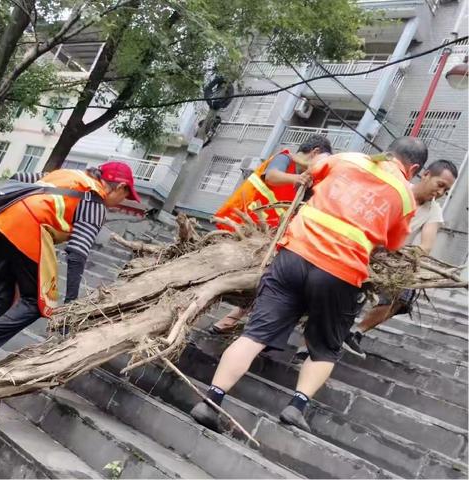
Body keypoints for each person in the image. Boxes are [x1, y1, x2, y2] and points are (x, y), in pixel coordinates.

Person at [190, 136, 428, 433]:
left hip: (294, 255)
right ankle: (296, 407)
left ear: (390, 151)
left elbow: (313, 168)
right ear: (414, 167)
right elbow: (392, 244)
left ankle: (210, 401)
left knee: (255, 334)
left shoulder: (348, 158)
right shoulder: (406, 195)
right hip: (340, 272)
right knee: (325, 347)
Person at [0, 162, 140, 355]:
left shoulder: (68, 174)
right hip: (28, 231)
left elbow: (19, 177)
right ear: (120, 186)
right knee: (37, 302)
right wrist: (71, 305)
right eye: (126, 195)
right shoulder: (94, 201)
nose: (123, 200)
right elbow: (77, 253)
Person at [211, 135, 333, 334]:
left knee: (260, 281)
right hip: (235, 225)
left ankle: (229, 320)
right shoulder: (285, 158)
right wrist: (297, 178)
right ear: (315, 152)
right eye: (323, 160)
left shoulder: (306, 182)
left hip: (260, 239)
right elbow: (272, 177)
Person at [343, 159, 458, 357]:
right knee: (345, 295)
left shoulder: (434, 211)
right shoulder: (397, 190)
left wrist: (402, 258)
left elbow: (426, 245)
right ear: (425, 174)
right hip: (365, 251)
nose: (440, 193)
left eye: (446, 191)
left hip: (395, 261)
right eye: (440, 185)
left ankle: (355, 333)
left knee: (404, 297)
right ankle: (307, 347)